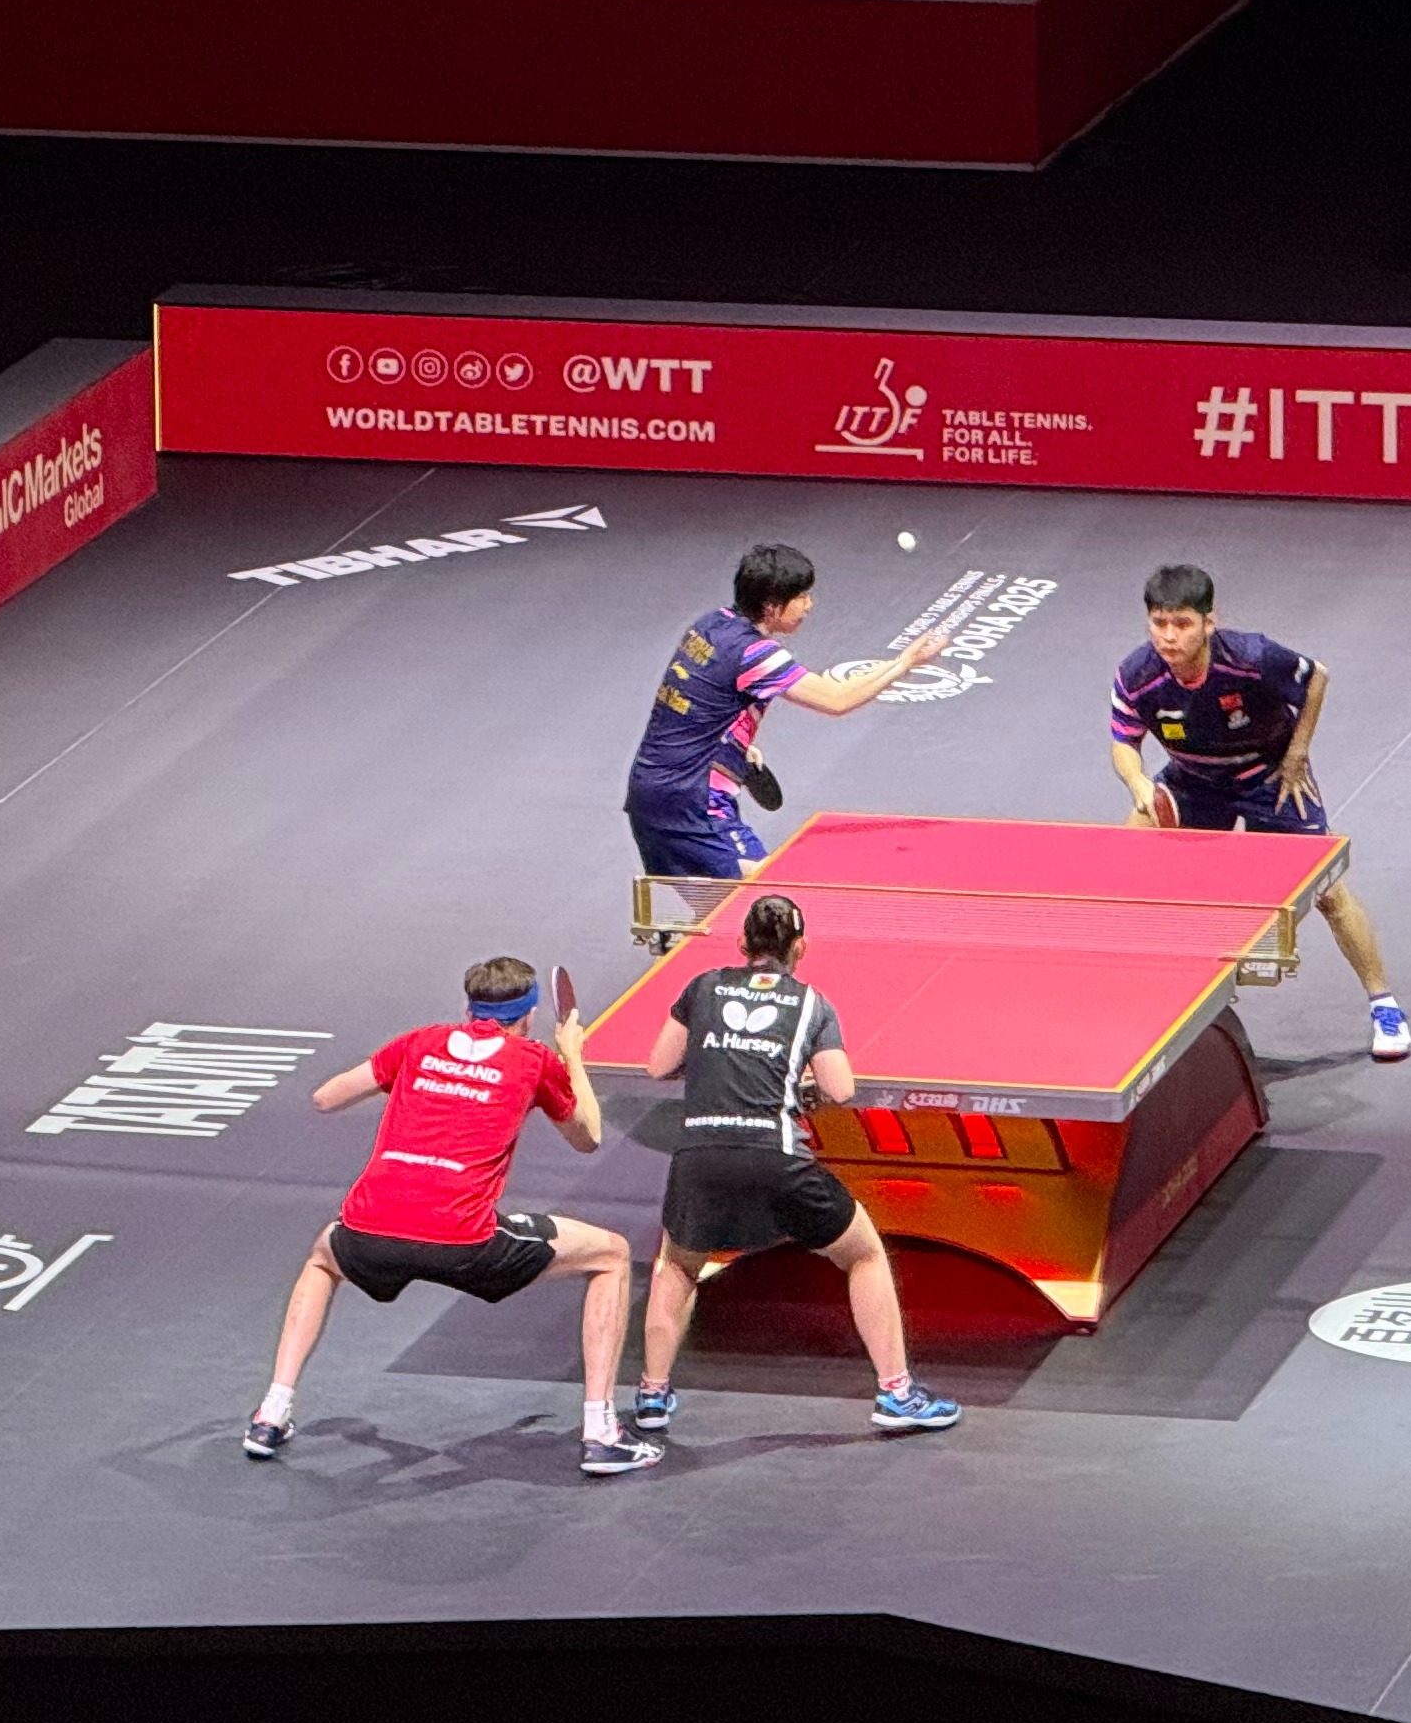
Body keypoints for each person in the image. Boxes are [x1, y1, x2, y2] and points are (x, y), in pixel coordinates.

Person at [245, 955, 658, 1478]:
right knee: (612, 1255)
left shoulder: (418, 1043)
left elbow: (325, 1099)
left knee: (323, 1259)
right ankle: (601, 1433)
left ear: (469, 1008)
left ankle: (272, 1412)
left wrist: (425, 1086)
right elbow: (589, 1136)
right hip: (463, 1241)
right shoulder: (533, 1060)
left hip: (370, 1229)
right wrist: (573, 1056)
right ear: (529, 1015)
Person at [631, 891, 961, 1439]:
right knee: (863, 1254)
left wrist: (721, 1060)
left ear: (742, 942)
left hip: (701, 1155)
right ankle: (897, 1393)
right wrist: (796, 1082)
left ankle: (651, 1396)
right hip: (776, 1157)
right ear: (800, 948)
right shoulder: (812, 1004)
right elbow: (841, 1088)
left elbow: (659, 1064)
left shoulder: (703, 987)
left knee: (680, 1267)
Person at [1108, 564, 1411, 1062]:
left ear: (1209, 622)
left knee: (1329, 893)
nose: (1169, 636)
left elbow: (1316, 678)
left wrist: (1296, 755)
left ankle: (1384, 1004)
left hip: (1268, 777)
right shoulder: (1137, 675)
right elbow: (1123, 742)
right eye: (1159, 623)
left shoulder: (1252, 658)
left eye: (1182, 623)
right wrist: (1138, 780)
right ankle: (1155, 993)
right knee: (1129, 848)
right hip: (1194, 780)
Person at [622, 541, 951, 879]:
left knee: (718, 906)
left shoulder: (710, 625)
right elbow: (837, 699)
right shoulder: (755, 654)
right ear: (772, 607)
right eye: (801, 596)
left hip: (649, 789)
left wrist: (736, 744)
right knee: (766, 896)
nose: (809, 604)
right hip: (691, 801)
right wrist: (905, 663)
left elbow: (696, 700)